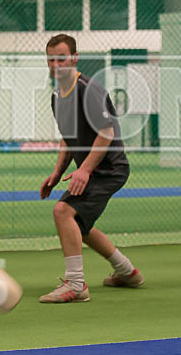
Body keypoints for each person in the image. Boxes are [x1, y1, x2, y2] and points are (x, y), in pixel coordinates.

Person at [39, 34, 144, 304]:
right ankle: (127, 272)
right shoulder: (56, 95)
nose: (56, 64)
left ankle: (75, 285)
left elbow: (106, 133)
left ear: (75, 58)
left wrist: (84, 170)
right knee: (78, 226)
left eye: (61, 58)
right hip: (94, 168)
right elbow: (68, 137)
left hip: (109, 169)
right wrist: (56, 173)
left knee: (63, 211)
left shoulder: (88, 89)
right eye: (51, 59)